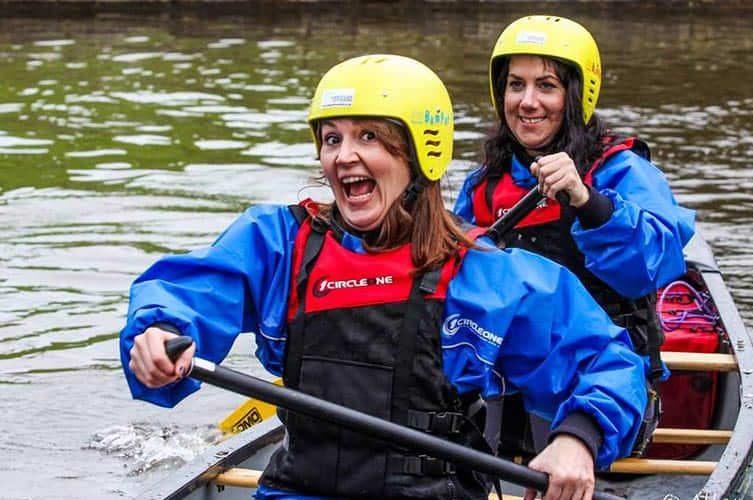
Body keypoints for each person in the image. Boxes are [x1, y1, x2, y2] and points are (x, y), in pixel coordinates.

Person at [121, 54, 648, 500]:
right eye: (332, 138)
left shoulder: (483, 273)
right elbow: (186, 293)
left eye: (368, 137)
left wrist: (577, 439)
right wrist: (159, 332)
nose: (343, 156)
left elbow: (608, 361)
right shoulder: (281, 244)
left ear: (422, 151)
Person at [453, 15, 696, 461]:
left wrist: (588, 202)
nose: (527, 102)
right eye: (515, 85)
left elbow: (654, 265)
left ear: (577, 95)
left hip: (608, 386)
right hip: (511, 389)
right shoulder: (482, 185)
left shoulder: (622, 169)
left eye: (546, 86)